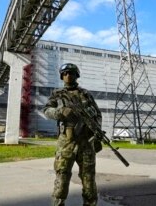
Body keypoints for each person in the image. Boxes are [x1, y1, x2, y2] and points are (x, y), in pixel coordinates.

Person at [44, 63, 102, 206]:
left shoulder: (86, 94)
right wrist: (60, 112)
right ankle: (58, 203)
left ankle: (90, 204)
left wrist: (97, 132)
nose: (68, 76)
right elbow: (46, 110)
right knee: (62, 176)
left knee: (88, 178)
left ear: (77, 75)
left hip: (86, 142)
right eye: (65, 73)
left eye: (71, 73)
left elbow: (97, 115)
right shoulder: (57, 94)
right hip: (66, 142)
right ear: (62, 76)